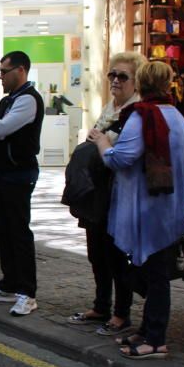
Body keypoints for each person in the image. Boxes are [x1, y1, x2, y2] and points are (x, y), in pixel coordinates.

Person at [89, 61, 184, 359]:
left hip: (148, 208)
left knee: (154, 275)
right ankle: (147, 330)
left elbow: (119, 158)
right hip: (168, 206)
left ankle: (155, 338)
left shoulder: (143, 116)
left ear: (141, 84)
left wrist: (102, 142)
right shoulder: (176, 117)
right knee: (154, 271)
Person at [64, 52, 144, 336]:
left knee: (115, 254)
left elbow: (119, 152)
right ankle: (101, 306)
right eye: (112, 74)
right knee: (96, 253)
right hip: (97, 193)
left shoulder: (137, 112)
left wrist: (100, 140)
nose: (115, 81)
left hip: (119, 193)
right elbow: (98, 138)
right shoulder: (111, 108)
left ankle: (122, 314)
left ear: (136, 82)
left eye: (122, 76)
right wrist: (99, 140)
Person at [0, 51, 44, 316]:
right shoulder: (7, 101)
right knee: (4, 230)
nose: (0, 77)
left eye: (4, 72)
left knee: (18, 232)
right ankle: (9, 284)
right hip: (1, 173)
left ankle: (27, 292)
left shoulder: (28, 100)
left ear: (21, 70)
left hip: (18, 174)